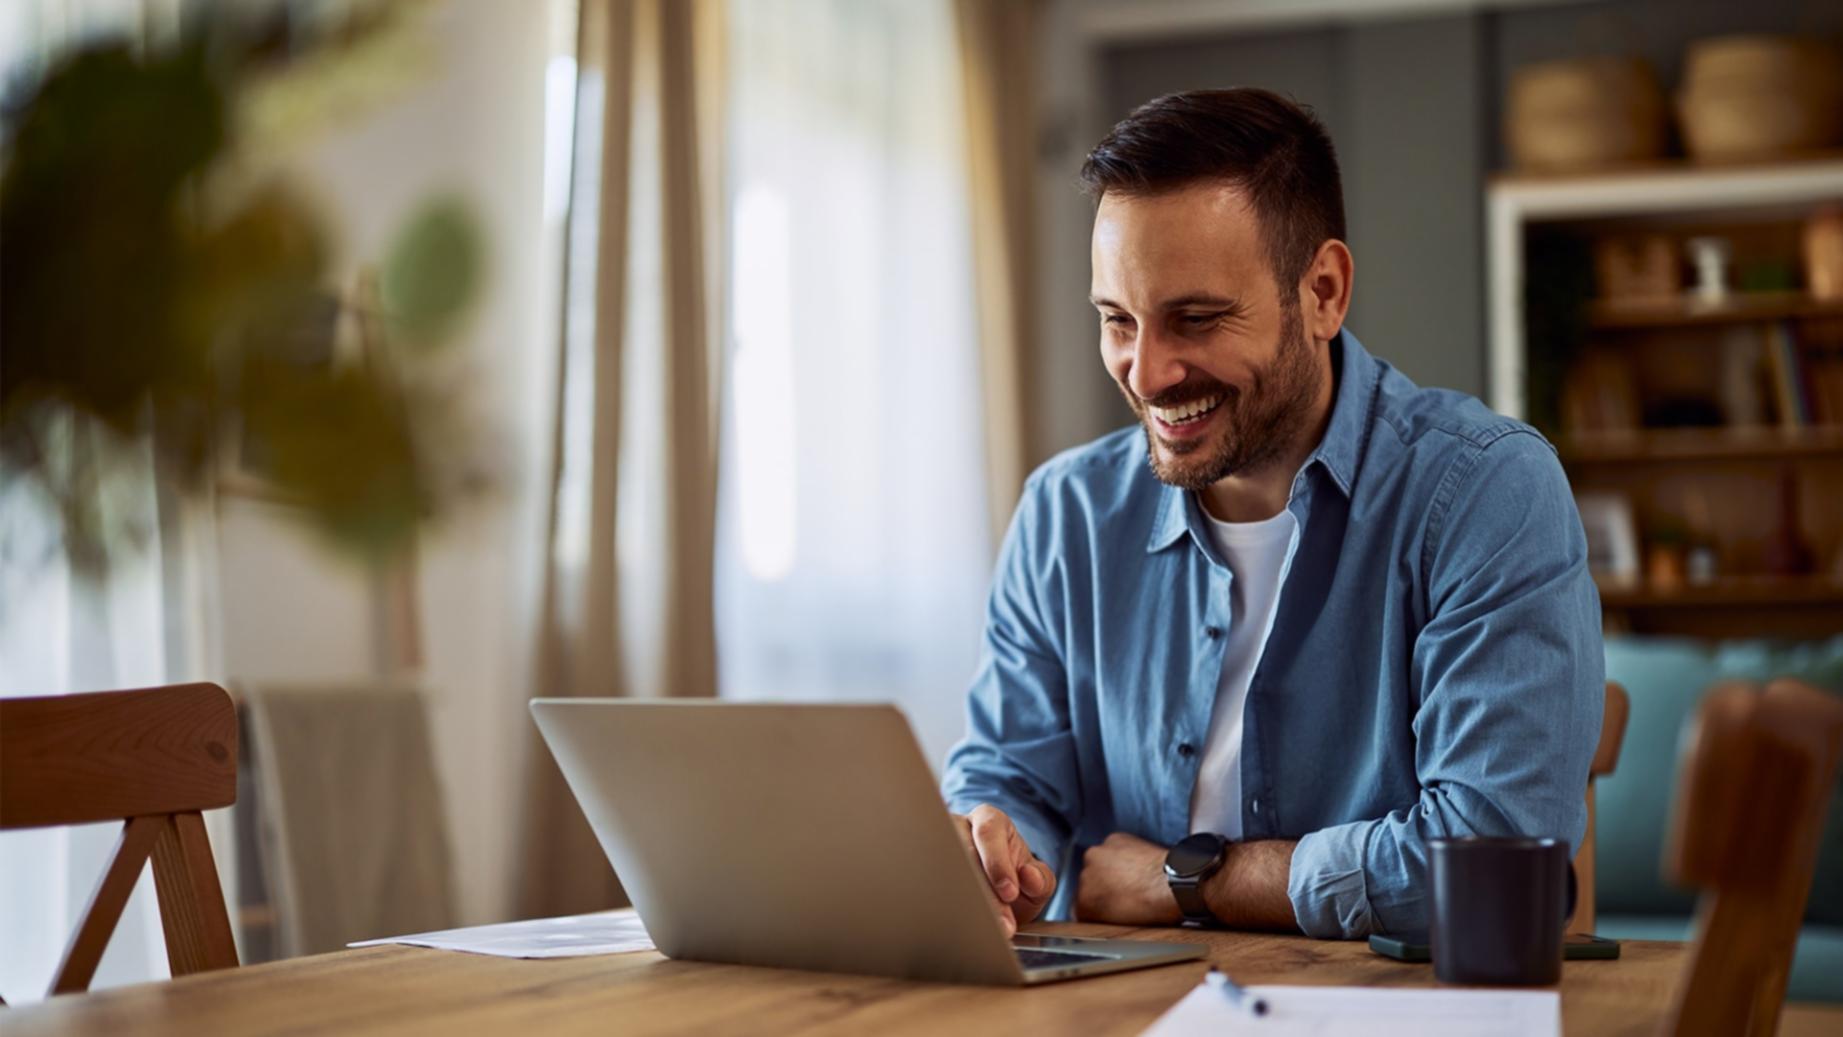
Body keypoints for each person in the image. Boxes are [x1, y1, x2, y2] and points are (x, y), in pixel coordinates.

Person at [941, 88, 1602, 940]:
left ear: (1322, 291)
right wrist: (989, 849)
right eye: (1117, 322)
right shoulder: (1062, 515)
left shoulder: (1487, 493)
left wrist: (1194, 881)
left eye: (1197, 319)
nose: (1145, 373)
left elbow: (1496, 857)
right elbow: (1008, 779)